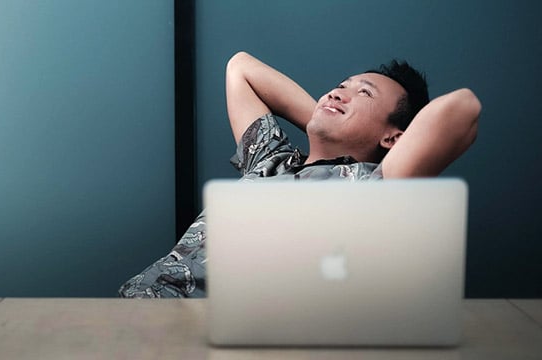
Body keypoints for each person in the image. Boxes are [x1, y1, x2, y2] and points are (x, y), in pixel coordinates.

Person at [119, 51, 481, 298]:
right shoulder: (269, 159)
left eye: (363, 93)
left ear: (394, 137)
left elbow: (463, 108)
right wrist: (325, 116)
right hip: (133, 306)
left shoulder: (375, 186)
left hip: (205, 332)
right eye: (341, 85)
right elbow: (241, 67)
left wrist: (369, 141)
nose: (339, 93)